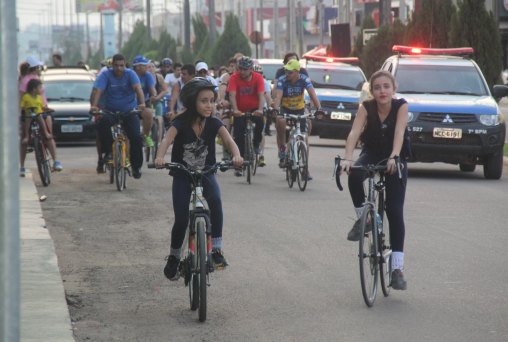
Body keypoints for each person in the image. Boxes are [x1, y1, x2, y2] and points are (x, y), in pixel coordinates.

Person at [154, 77, 243, 280]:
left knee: (216, 202)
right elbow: (167, 140)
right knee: (182, 219)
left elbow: (229, 141)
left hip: (206, 172)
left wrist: (237, 155)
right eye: (204, 101)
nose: (209, 105)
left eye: (212, 100)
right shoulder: (180, 122)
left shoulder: (214, 123)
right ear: (192, 102)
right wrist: (159, 157)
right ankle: (174, 257)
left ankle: (216, 251)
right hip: (183, 175)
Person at [340, 70, 410, 291]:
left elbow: (399, 132)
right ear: (372, 91)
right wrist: (348, 158)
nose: (382, 91)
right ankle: (364, 218)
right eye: (377, 87)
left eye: (386, 86)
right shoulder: (366, 108)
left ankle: (397, 269)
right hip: (371, 153)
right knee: (355, 174)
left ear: (393, 88)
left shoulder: (401, 106)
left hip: (395, 158)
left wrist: (394, 156)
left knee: (394, 211)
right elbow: (353, 133)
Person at [90, 53, 146, 179]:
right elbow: (98, 90)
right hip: (110, 111)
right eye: (116, 66)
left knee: (136, 137)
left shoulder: (131, 74)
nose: (119, 68)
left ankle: (136, 166)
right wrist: (94, 106)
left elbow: (138, 89)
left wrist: (141, 104)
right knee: (102, 124)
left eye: (121, 66)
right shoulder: (105, 75)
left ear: (125, 65)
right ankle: (109, 152)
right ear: (112, 65)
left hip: (129, 111)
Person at [272, 59, 321, 179]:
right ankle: (283, 149)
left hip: (299, 109)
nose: (287, 74)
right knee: (280, 120)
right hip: (286, 108)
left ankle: (305, 167)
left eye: (290, 72)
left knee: (304, 136)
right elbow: (278, 97)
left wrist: (319, 109)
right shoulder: (282, 80)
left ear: (297, 72)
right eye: (286, 72)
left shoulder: (304, 79)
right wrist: (276, 109)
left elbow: (312, 94)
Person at [226, 56, 265, 176]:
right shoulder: (234, 77)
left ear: (250, 69)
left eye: (244, 69)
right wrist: (236, 110)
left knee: (260, 122)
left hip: (254, 108)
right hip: (240, 109)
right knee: (238, 134)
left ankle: (256, 144)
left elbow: (261, 94)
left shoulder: (258, 78)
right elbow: (232, 95)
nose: (242, 72)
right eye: (240, 69)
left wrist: (260, 109)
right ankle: (240, 161)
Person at [19, 79, 62, 177]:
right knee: (26, 126)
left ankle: (55, 160)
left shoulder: (39, 97)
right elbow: (21, 107)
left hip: (38, 114)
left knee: (44, 128)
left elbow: (42, 107)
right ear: (34, 89)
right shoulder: (26, 96)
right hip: (28, 115)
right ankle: (22, 165)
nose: (41, 89)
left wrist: (47, 109)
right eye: (40, 87)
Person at [132, 55, 156, 148]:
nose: (147, 67)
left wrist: (153, 95)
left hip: (144, 103)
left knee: (149, 113)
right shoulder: (130, 74)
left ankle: (145, 135)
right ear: (137, 67)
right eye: (144, 65)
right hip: (130, 104)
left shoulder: (147, 75)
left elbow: (152, 88)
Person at [147, 61, 168, 143]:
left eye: (152, 66)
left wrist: (157, 97)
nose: (151, 68)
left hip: (157, 101)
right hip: (147, 102)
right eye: (149, 66)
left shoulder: (159, 77)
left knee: (159, 118)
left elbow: (165, 90)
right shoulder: (143, 77)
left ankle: (159, 140)